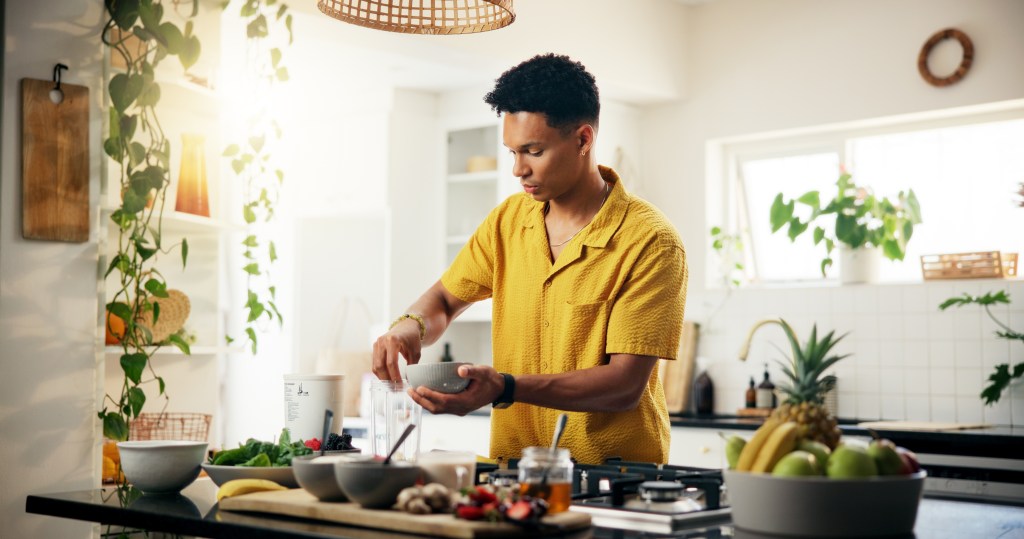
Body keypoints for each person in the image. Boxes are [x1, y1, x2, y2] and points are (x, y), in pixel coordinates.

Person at [373, 53, 687, 464]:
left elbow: (623, 385)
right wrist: (407, 329)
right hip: (513, 472)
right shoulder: (508, 220)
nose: (518, 169)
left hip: (613, 482)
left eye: (533, 151)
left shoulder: (651, 241)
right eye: (512, 152)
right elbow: (445, 301)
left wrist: (506, 387)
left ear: (583, 140)